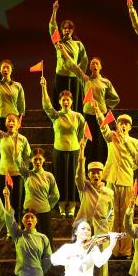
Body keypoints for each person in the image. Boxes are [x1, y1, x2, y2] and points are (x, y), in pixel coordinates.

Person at [40, 79, 87, 219]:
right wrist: (44, 87)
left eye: (68, 100)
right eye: (63, 100)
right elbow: (46, 105)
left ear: (71, 101)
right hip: (59, 151)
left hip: (74, 151)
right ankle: (61, 204)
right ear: (60, 102)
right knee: (60, 178)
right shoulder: (55, 115)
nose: (66, 102)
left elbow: (83, 134)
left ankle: (71, 205)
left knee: (73, 179)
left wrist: (82, 145)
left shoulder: (78, 116)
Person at [100, 113, 138, 258]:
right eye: (121, 123)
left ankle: (125, 250)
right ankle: (113, 250)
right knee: (112, 217)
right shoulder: (112, 138)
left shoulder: (134, 142)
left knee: (126, 217)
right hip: (111, 181)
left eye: (126, 124)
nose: (123, 126)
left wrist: (131, 166)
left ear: (130, 127)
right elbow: (103, 128)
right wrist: (98, 112)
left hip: (126, 182)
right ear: (117, 125)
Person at [75, 144, 115, 276]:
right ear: (89, 175)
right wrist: (81, 154)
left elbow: (111, 213)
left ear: (102, 174)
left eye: (98, 172)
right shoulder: (84, 187)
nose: (96, 175)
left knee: (102, 263)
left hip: (102, 231)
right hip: (85, 230)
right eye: (92, 172)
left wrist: (108, 229)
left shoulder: (109, 192)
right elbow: (78, 176)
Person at [65, 52, 119, 166]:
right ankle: (88, 167)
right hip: (88, 115)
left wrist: (104, 104)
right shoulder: (85, 79)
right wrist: (64, 52)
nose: (94, 65)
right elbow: (75, 67)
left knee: (101, 141)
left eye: (97, 63)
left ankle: (101, 166)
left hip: (102, 115)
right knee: (88, 140)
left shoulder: (106, 82)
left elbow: (116, 98)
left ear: (100, 67)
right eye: (92, 63)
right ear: (90, 67)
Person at [0, 53, 26, 177]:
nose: (5, 69)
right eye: (3, 67)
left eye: (8, 67)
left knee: (12, 144)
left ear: (11, 70)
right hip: (0, 117)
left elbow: (21, 103)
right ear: (1, 70)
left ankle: (13, 169)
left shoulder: (17, 86)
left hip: (13, 119)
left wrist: (20, 118)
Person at [49, 0, 89, 108]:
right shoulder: (58, 42)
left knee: (74, 105)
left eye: (69, 28)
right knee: (59, 105)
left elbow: (84, 60)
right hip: (60, 77)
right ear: (61, 30)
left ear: (72, 30)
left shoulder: (78, 44)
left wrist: (79, 73)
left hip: (74, 79)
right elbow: (52, 27)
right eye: (65, 28)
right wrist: (54, 10)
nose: (67, 30)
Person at [17, 147, 61, 240]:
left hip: (44, 213)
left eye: (40, 159)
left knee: (45, 240)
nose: (37, 162)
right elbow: (18, 163)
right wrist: (16, 149)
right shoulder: (27, 174)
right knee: (28, 241)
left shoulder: (49, 176)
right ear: (31, 160)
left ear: (44, 160)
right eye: (35, 159)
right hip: (28, 213)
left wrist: (47, 205)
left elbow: (56, 195)